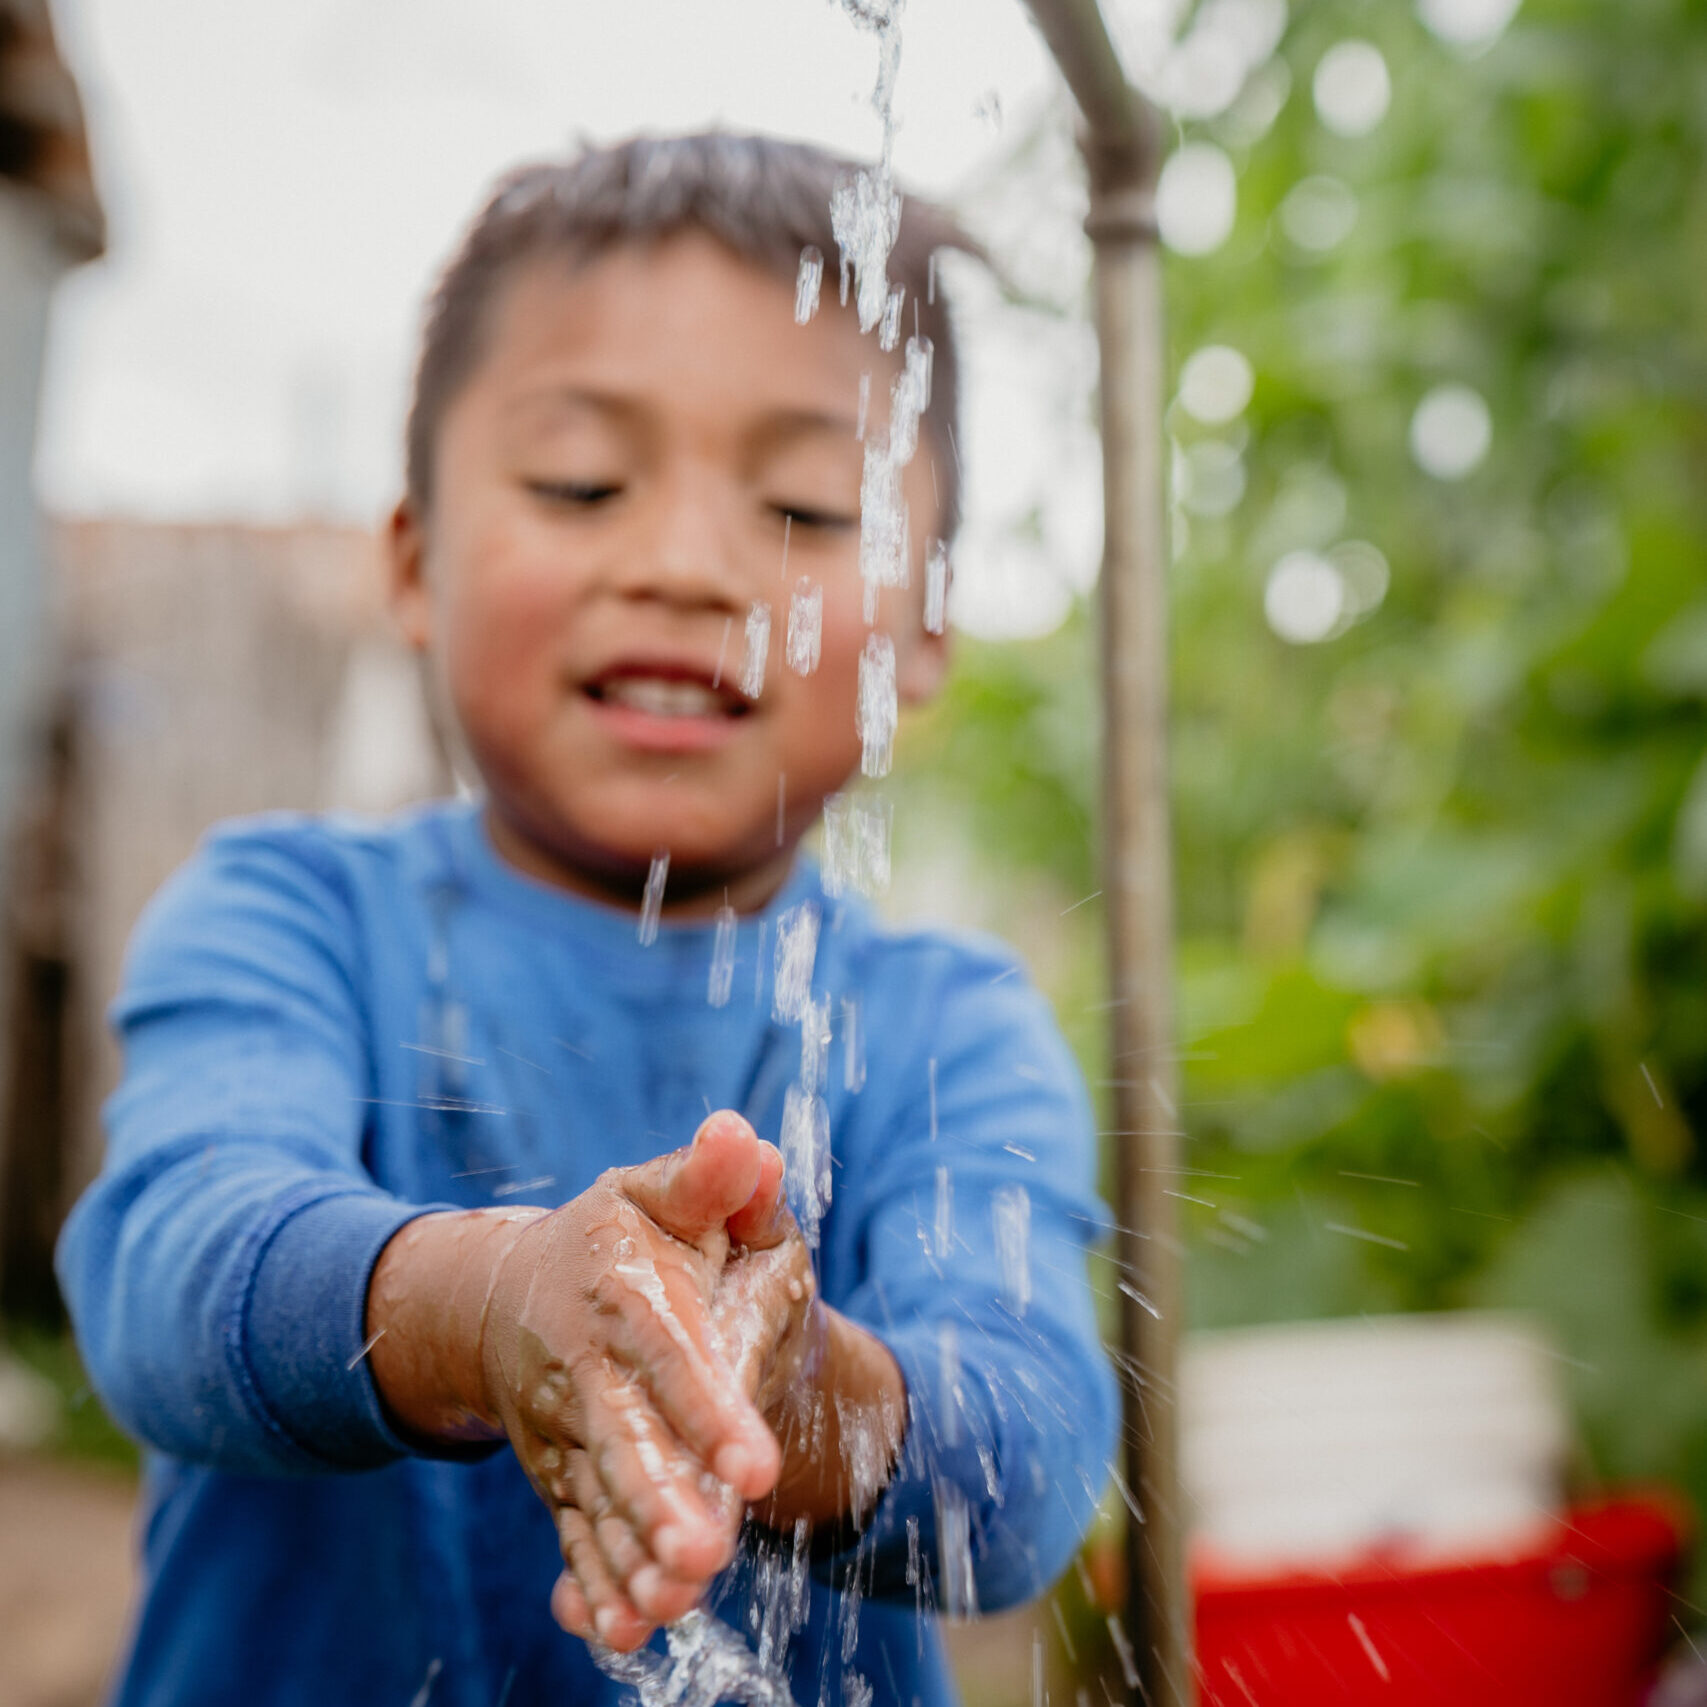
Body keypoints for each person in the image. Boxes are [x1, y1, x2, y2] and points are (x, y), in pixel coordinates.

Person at [57, 133, 1117, 1707]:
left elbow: (1020, 1461)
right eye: (581, 483)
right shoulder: (286, 920)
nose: (687, 564)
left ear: (924, 629)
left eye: (808, 510)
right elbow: (168, 1277)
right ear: (412, 563)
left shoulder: (941, 1027)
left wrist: (796, 1387)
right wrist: (488, 1308)